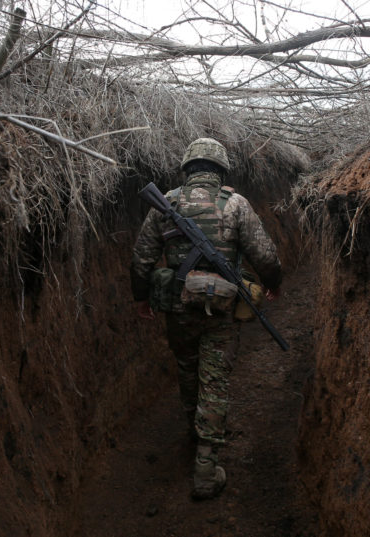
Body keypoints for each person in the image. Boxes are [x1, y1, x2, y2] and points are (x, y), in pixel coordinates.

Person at [130, 137, 283, 500]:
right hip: (221, 311)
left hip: (179, 310)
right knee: (214, 381)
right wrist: (273, 283)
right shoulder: (235, 205)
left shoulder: (165, 203)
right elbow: (264, 255)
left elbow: (141, 259)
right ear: (220, 171)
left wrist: (141, 298)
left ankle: (193, 434)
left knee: (188, 370)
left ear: (188, 168)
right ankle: (205, 465)